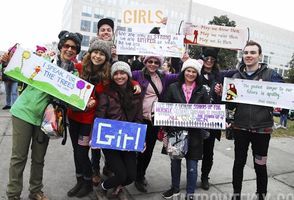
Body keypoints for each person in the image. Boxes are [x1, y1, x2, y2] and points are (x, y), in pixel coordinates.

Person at [6, 30, 83, 200]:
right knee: (19, 157)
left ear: (77, 52)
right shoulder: (45, 60)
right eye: (66, 46)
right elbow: (21, 68)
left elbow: (74, 102)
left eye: (74, 48)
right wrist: (9, 61)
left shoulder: (74, 75)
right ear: (61, 46)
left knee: (39, 158)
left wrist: (84, 103)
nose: (69, 49)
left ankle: (35, 191)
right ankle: (13, 195)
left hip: (47, 120)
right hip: (24, 112)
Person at [228, 41, 283, 200]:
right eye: (246, 53)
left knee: (260, 165)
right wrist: (221, 93)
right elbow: (231, 103)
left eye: (252, 52)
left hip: (262, 129)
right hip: (240, 128)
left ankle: (261, 195)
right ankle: (236, 194)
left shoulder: (270, 74)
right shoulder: (236, 77)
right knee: (238, 163)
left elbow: (283, 95)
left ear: (259, 55)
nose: (249, 55)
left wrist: (267, 88)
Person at [66, 38, 112, 198]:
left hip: (88, 122)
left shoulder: (106, 77)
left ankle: (87, 182)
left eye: (102, 54)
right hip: (73, 117)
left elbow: (123, 81)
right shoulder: (78, 68)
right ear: (90, 53)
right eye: (95, 52)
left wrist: (135, 83)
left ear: (106, 57)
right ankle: (79, 181)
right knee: (75, 151)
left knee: (81, 153)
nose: (98, 56)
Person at [162, 59, 209, 200]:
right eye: (188, 70)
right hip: (176, 131)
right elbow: (165, 107)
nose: (191, 73)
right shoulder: (173, 87)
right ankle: (175, 188)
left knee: (192, 165)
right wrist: (165, 129)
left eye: (194, 71)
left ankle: (190, 193)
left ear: (197, 74)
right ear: (183, 72)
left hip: (195, 133)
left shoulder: (202, 89)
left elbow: (208, 110)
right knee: (175, 163)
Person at [95, 61, 143, 200]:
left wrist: (139, 139)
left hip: (128, 140)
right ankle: (102, 187)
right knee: (121, 175)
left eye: (122, 73)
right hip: (111, 139)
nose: (119, 76)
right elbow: (100, 115)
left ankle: (118, 187)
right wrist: (96, 135)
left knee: (131, 176)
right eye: (116, 73)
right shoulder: (106, 94)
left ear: (128, 75)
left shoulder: (136, 94)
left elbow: (138, 119)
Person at [132, 55, 178, 193]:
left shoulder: (164, 77)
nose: (153, 64)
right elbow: (121, 74)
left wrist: (184, 60)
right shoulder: (137, 74)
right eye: (150, 61)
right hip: (138, 117)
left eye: (156, 62)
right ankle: (132, 174)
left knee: (148, 150)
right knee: (136, 149)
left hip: (154, 120)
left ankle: (140, 176)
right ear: (145, 62)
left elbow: (181, 75)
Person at [198, 47, 223, 190]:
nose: (209, 61)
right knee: (194, 149)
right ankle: (192, 173)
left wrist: (220, 94)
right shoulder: (195, 73)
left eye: (212, 60)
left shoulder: (219, 76)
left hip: (212, 119)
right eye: (206, 58)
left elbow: (226, 97)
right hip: (196, 117)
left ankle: (204, 177)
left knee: (208, 151)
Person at [0, 44, 19, 110]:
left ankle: (14, 106)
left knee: (14, 93)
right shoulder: (5, 58)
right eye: (11, 52)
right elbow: (1, 64)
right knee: (8, 93)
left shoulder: (18, 60)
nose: (12, 53)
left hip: (14, 79)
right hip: (6, 78)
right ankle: (8, 104)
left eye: (14, 52)